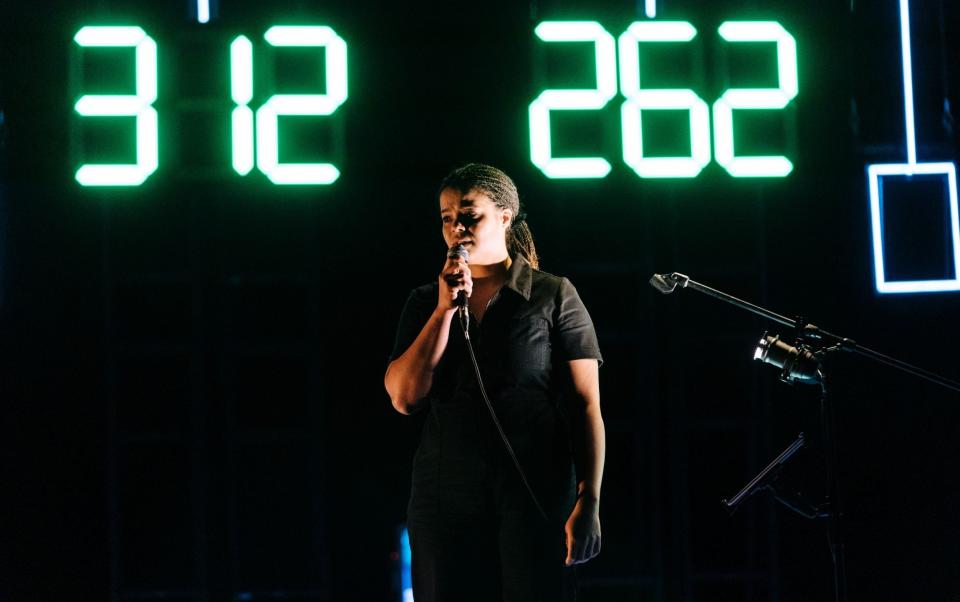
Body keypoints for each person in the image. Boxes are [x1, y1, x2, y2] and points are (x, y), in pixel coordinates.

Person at [384, 163, 605, 601]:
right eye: (447, 217)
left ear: (505, 217)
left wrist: (590, 500)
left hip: (533, 488)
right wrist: (445, 310)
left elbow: (585, 406)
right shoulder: (426, 300)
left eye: (470, 214)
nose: (457, 228)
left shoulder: (552, 294)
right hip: (446, 492)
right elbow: (404, 398)